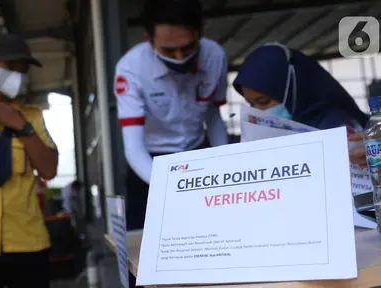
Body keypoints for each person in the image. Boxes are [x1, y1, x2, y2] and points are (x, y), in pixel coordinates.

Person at [114, 0, 228, 230]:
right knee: (144, 248)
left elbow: (214, 116)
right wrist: (167, 184)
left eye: (187, 48)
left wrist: (223, 165)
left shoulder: (215, 56)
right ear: (149, 40)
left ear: (200, 32)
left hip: (199, 153)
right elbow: (133, 147)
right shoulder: (130, 69)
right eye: (168, 50)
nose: (179, 58)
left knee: (213, 234)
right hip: (150, 163)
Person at [0, 34, 58, 288]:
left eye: (21, 70)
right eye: (10, 68)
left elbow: (48, 169)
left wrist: (20, 126)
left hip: (26, 242)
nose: (17, 76)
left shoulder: (31, 117)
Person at [233, 42, 369, 132]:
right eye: (251, 104)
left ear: (292, 90)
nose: (257, 111)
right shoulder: (279, 127)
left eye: (263, 101)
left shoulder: (339, 127)